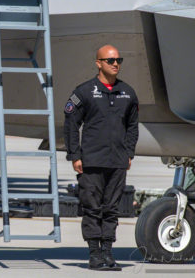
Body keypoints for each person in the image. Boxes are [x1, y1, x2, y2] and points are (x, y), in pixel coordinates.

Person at [63, 45, 139, 271]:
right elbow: (70, 124)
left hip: (117, 162)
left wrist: (129, 153)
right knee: (92, 208)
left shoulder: (128, 92)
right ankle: (94, 254)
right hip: (92, 161)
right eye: (110, 60)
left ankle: (107, 252)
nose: (115, 64)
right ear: (98, 63)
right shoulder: (84, 91)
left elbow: (133, 126)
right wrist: (75, 155)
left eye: (118, 60)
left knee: (111, 209)